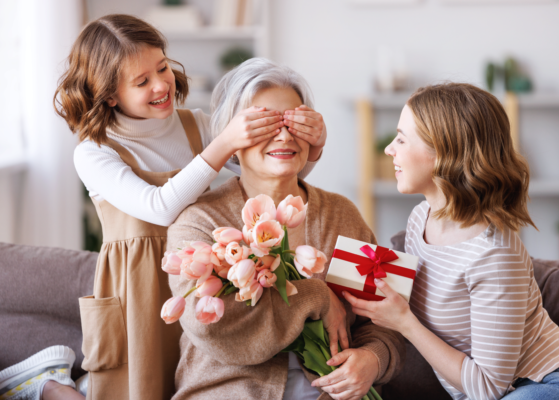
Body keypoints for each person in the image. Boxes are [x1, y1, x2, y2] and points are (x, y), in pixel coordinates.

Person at [0, 14, 327, 400]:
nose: (161, 84)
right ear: (109, 94)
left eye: (162, 67)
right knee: (135, 388)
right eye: (142, 81)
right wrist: (222, 143)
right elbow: (159, 208)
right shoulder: (94, 151)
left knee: (193, 375)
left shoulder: (197, 126)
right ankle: (46, 385)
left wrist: (314, 145)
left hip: (199, 276)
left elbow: (273, 171)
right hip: (138, 285)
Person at [341, 83, 559, 400]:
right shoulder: (420, 219)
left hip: (547, 386)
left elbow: (488, 388)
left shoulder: (494, 253)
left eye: (401, 139)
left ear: (443, 152)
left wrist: (406, 324)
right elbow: (389, 285)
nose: (389, 150)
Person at [166, 58, 405, 400]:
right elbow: (211, 326)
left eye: (295, 122)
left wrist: (373, 359)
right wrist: (316, 296)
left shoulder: (342, 215)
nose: (283, 134)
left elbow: (385, 319)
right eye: (263, 122)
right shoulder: (201, 221)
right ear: (233, 134)